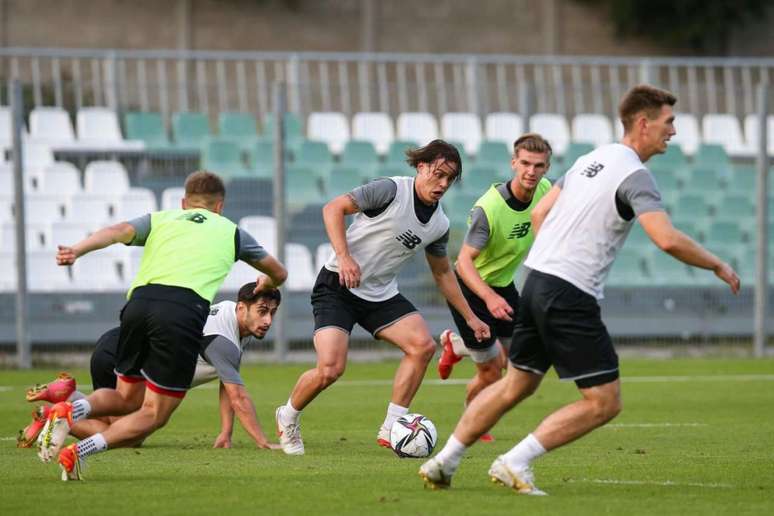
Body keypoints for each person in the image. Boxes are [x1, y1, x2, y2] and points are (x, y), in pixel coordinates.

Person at [419, 84, 740, 494]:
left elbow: (540, 213)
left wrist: (553, 254)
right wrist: (717, 263)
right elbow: (666, 238)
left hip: (536, 282)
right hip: (568, 292)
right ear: (643, 124)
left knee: (517, 383)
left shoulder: (592, 159)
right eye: (668, 121)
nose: (673, 131)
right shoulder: (635, 176)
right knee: (605, 402)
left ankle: (444, 463)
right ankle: (514, 462)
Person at [38, 170, 287, 481]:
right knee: (153, 414)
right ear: (220, 206)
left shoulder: (160, 218)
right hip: (182, 311)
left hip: (138, 304)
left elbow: (117, 230)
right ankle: (78, 452)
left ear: (184, 203)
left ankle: (70, 411)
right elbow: (279, 271)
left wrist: (78, 249)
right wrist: (269, 280)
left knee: (126, 397)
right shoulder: (232, 232)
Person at [274, 139, 490, 455]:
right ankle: (288, 415)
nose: (442, 184)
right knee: (330, 369)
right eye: (437, 174)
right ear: (421, 167)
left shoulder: (440, 224)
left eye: (449, 179)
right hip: (338, 286)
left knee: (422, 347)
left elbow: (443, 273)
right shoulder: (390, 191)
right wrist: (344, 257)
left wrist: (471, 318)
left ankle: (392, 427)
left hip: (380, 293)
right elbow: (333, 208)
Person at [18, 283, 282, 450]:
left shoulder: (229, 316)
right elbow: (238, 396)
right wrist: (262, 442)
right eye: (262, 311)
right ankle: (53, 412)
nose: (268, 320)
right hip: (120, 355)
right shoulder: (224, 340)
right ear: (241, 308)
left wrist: (226, 432)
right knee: (126, 435)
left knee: (116, 423)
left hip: (117, 345)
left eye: (272, 312)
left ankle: (66, 396)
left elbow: (228, 382)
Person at [436, 134, 552, 443]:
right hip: (472, 290)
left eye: (538, 165)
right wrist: (488, 298)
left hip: (502, 287)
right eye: (525, 163)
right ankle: (472, 419)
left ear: (546, 168)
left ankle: (456, 345)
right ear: (514, 163)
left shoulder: (545, 190)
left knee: (516, 362)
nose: (531, 171)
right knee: (491, 371)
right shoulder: (490, 209)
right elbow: (462, 263)